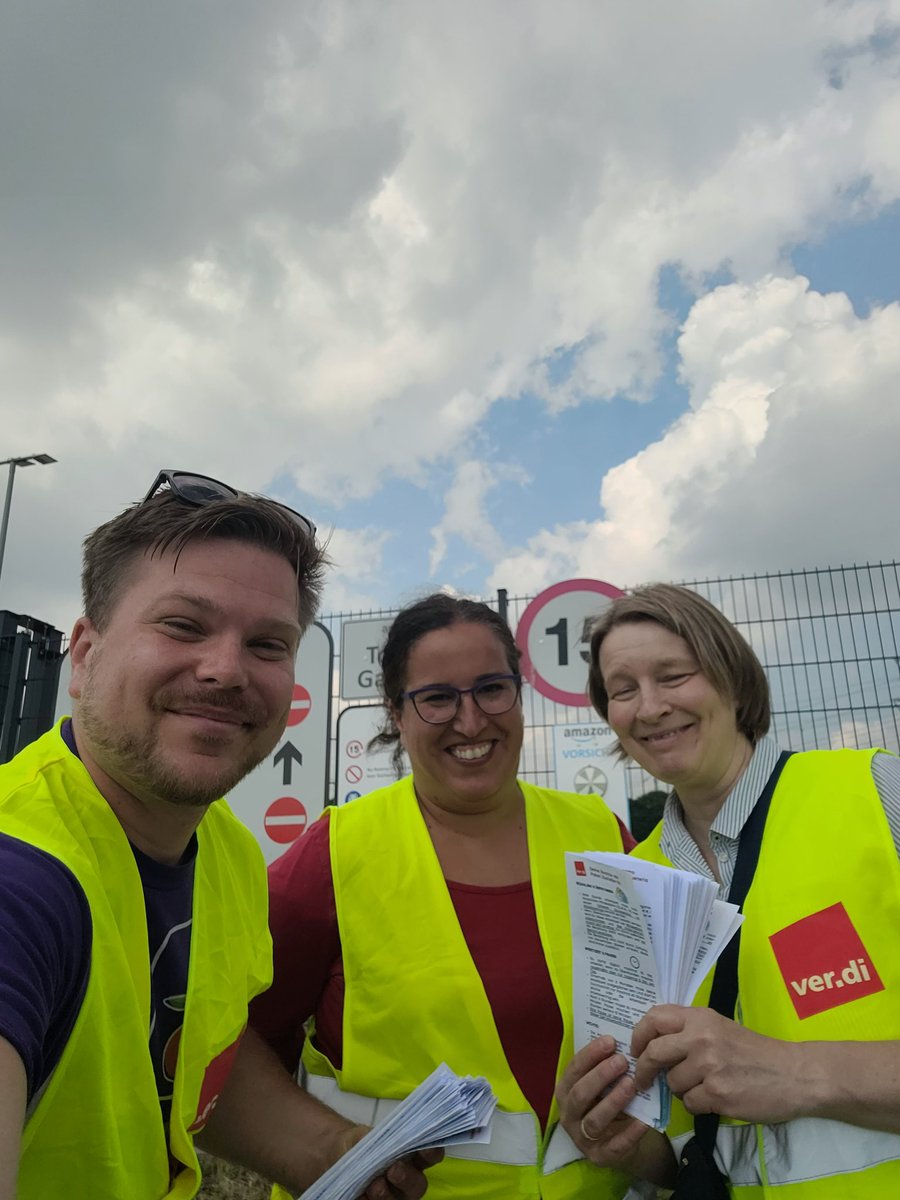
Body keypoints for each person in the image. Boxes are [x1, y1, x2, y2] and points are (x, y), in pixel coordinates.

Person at [0, 469, 437, 1200]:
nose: (226, 670)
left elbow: (192, 1056)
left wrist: (331, 1151)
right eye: (183, 625)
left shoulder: (227, 852)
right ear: (83, 654)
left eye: (268, 644)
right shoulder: (22, 876)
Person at [251, 592, 675, 1199]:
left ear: (518, 694)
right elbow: (239, 1039)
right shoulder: (334, 856)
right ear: (396, 713)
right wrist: (318, 1151)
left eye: (491, 689)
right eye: (437, 698)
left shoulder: (602, 837)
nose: (470, 720)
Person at [558, 581, 900, 1196]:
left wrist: (802, 1073)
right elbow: (698, 1146)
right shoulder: (634, 882)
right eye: (623, 689)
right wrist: (629, 1148)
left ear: (732, 678)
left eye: (673, 675)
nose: (651, 706)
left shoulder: (876, 792)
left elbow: (777, 1079)